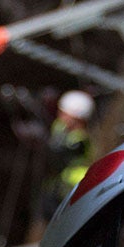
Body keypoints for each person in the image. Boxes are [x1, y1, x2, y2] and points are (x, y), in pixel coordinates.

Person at [39, 89, 96, 219]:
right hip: (54, 187)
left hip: (71, 190)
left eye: (65, 114)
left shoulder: (80, 140)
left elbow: (62, 153)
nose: (61, 116)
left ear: (77, 118)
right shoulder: (60, 126)